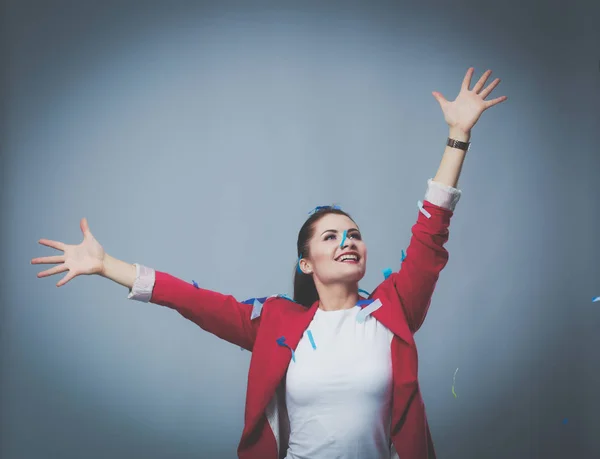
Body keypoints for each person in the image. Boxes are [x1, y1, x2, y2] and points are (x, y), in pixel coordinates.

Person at [31, 67, 507, 459]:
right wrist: (106, 263)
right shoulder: (275, 321)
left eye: (355, 235)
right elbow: (193, 300)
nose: (347, 241)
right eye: (331, 236)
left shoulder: (394, 310)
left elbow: (429, 234)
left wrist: (457, 136)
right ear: (307, 264)